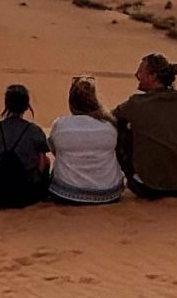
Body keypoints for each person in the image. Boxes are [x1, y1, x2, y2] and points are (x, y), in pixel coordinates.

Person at [113, 53, 177, 198]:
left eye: (140, 72)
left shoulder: (136, 103)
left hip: (148, 187)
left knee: (120, 130)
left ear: (153, 76)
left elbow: (111, 118)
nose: (136, 75)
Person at [0, 84, 51, 208]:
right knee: (47, 160)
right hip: (29, 195)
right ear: (26, 107)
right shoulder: (35, 131)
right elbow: (41, 166)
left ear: (6, 104)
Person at [47, 76, 125, 204]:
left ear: (71, 101)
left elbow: (55, 151)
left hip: (67, 193)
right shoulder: (109, 125)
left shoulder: (61, 125)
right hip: (109, 193)